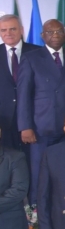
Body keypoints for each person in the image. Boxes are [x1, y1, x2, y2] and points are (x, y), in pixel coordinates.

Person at [17, 18, 65, 199]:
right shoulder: (31, 58)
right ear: (42, 36)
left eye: (58, 32)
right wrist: (25, 126)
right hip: (41, 128)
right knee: (39, 173)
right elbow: (24, 95)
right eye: (50, 32)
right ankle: (36, 220)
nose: (55, 35)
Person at [0, 16, 35, 151]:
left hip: (33, 121)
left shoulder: (38, 52)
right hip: (4, 122)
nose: (8, 33)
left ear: (21, 30)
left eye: (13, 29)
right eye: (4, 30)